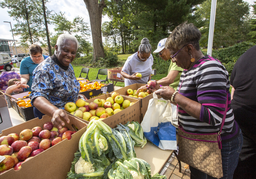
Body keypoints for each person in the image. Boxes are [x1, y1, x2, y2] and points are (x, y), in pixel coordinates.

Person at [154, 22, 242, 179]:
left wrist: (175, 96)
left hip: (218, 146)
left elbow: (213, 116)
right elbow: (189, 101)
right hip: (200, 144)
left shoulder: (210, 69)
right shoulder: (190, 69)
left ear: (189, 49)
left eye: (174, 54)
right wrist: (163, 92)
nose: (173, 60)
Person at [30, 34, 82, 129]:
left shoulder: (68, 66)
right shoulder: (44, 69)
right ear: (57, 48)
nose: (69, 55)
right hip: (53, 122)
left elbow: (68, 86)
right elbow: (37, 97)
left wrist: (78, 96)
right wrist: (54, 111)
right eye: (65, 50)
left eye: (73, 52)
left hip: (69, 116)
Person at [230, 45, 256, 179]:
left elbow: (233, 90)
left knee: (242, 165)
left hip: (239, 116)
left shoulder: (248, 54)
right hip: (243, 118)